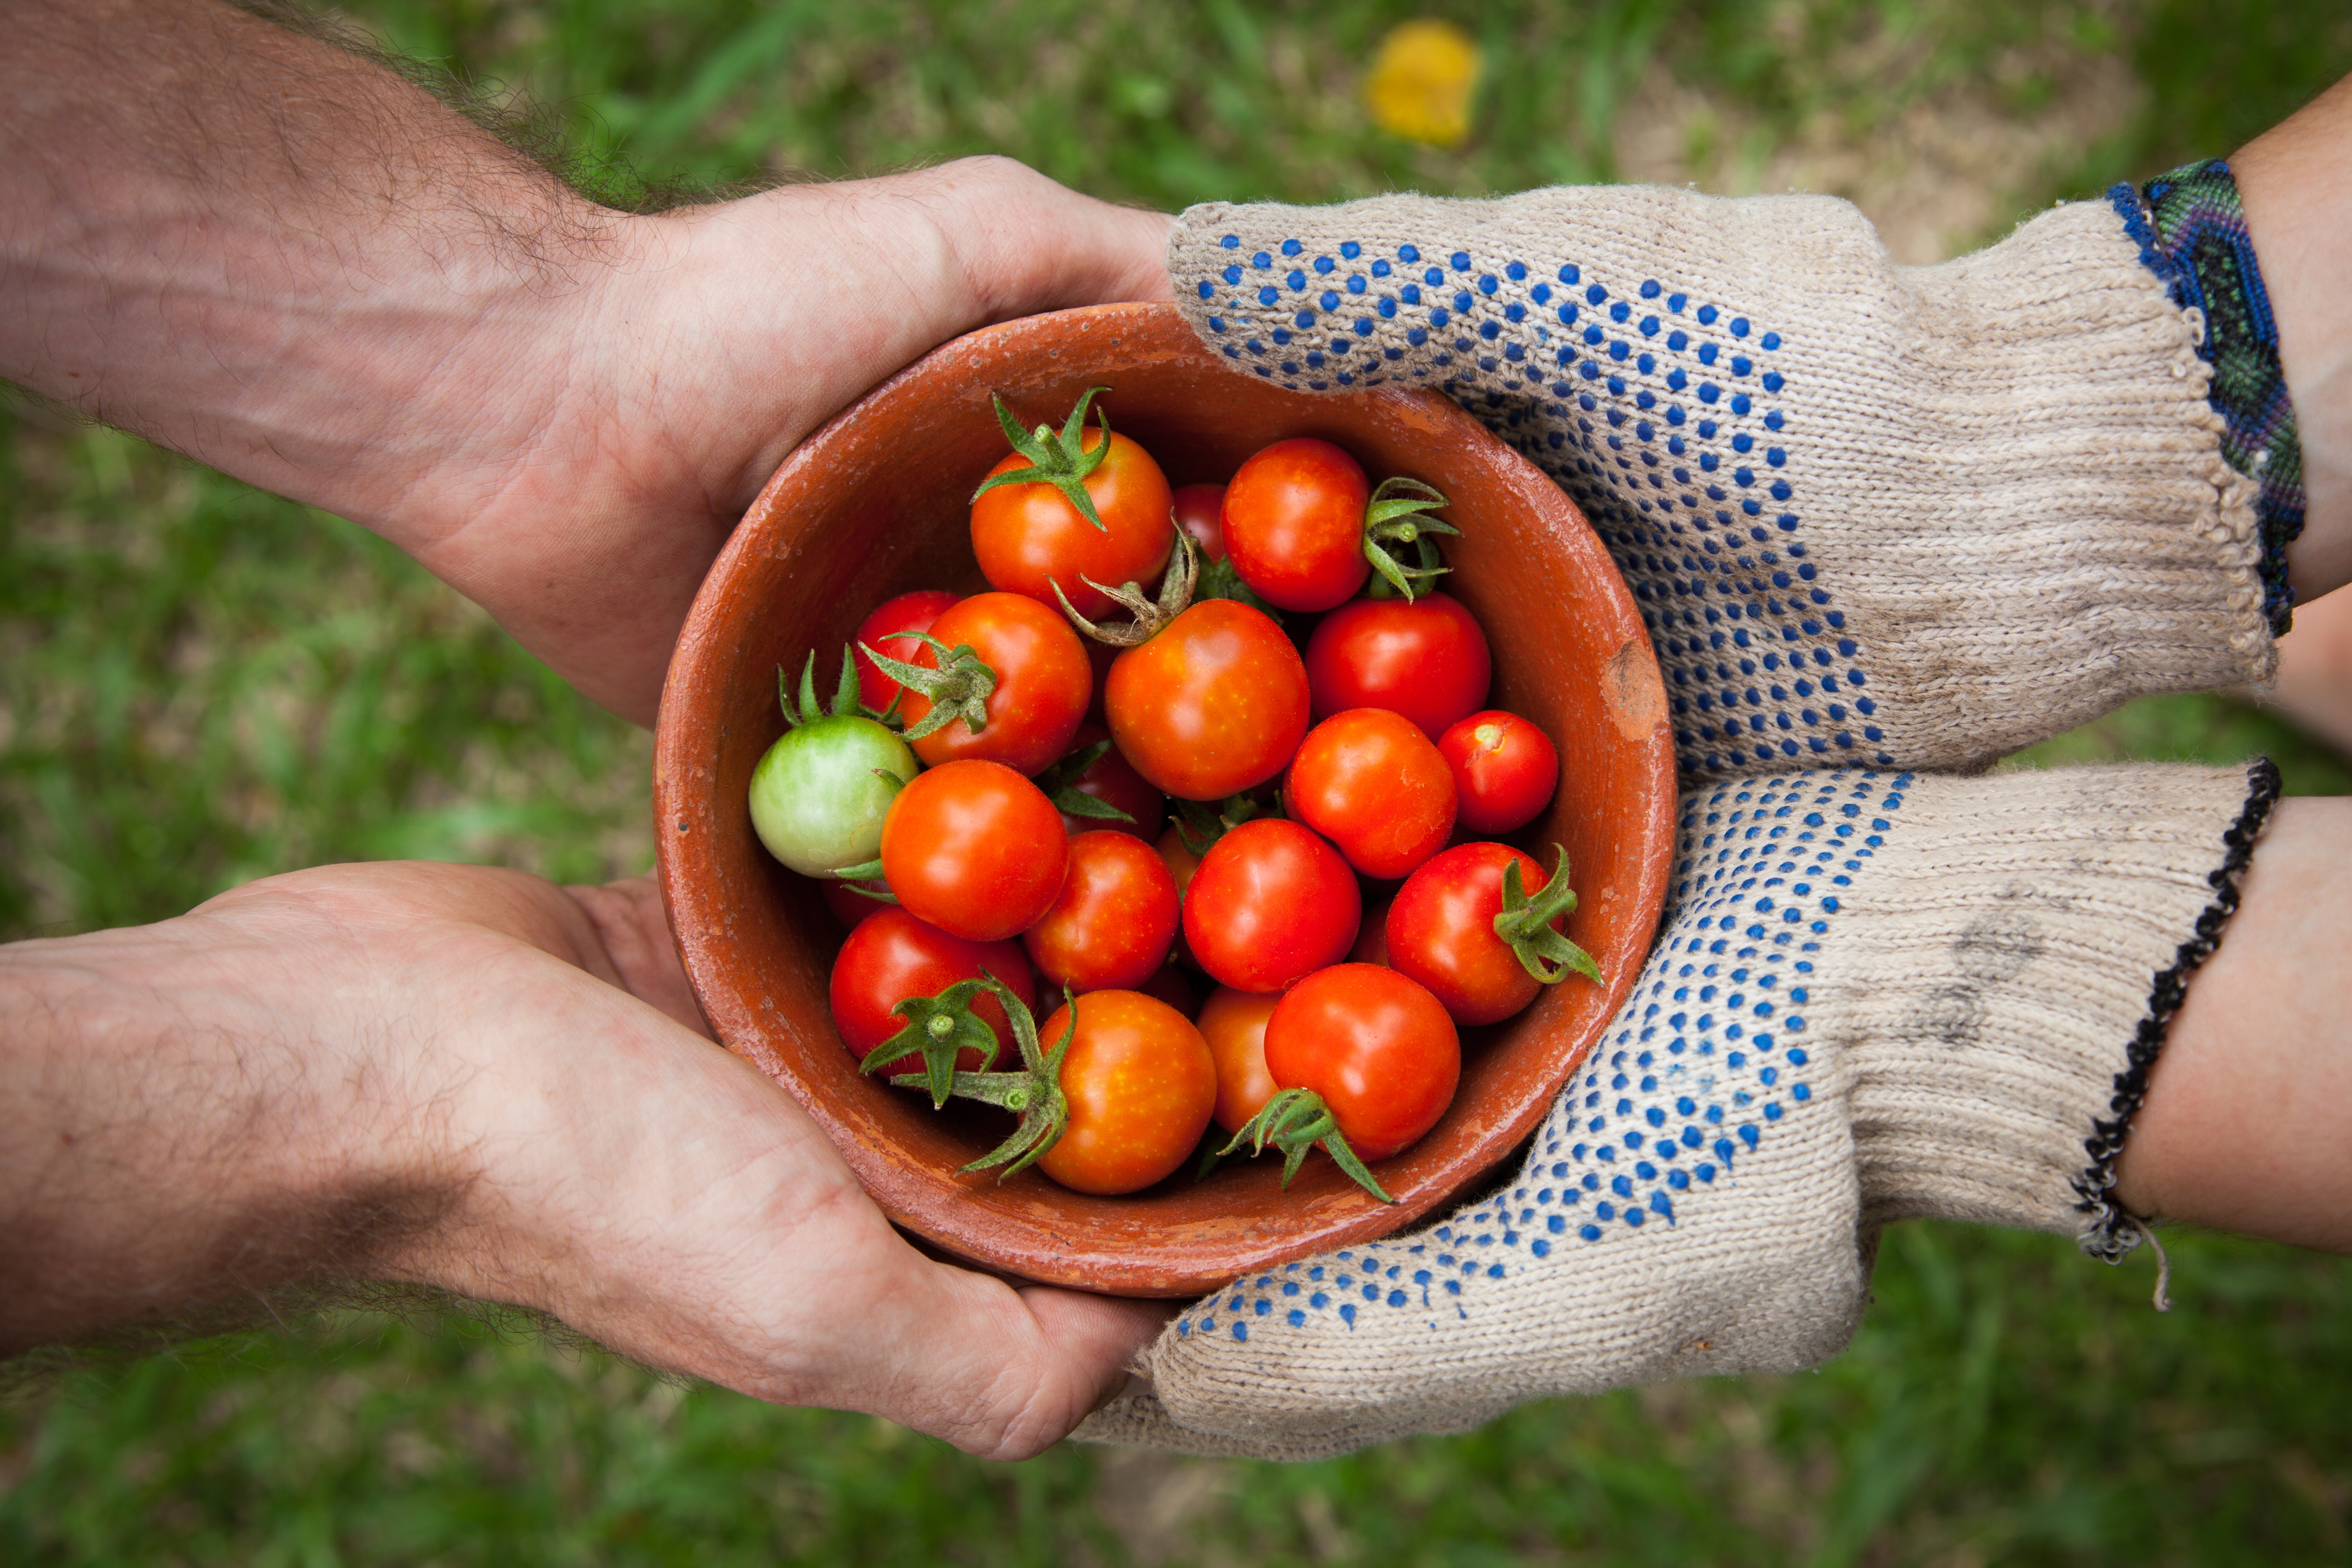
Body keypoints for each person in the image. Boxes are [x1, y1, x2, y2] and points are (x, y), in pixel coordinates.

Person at [3, 0, 2347, 1462]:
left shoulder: (1131, 769)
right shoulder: (1128, 840)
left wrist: (2072, 425)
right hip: (1321, 882)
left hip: (1330, 850)